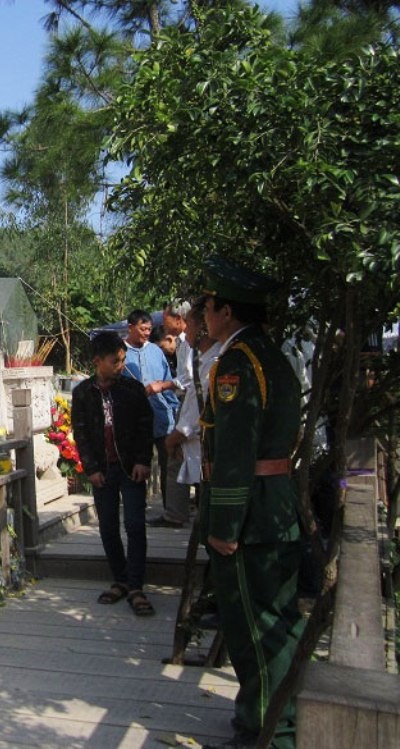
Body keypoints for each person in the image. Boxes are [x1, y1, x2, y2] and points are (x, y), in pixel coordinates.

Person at [198, 257, 303, 749]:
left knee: (253, 629)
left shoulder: (237, 364)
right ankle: (278, 719)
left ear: (225, 309)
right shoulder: (274, 357)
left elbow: (237, 453)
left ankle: (266, 730)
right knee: (278, 620)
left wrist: (224, 525)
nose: (202, 315)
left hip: (251, 514)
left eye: (207, 306)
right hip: (275, 506)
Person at [71, 331, 156, 616]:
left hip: (131, 468)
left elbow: (146, 426)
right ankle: (120, 580)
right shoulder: (82, 393)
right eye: (115, 361)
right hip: (102, 472)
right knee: (108, 527)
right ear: (98, 361)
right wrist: (90, 468)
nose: (121, 365)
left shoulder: (132, 390)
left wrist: (143, 461)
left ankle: (136, 586)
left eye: (123, 360)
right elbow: (80, 433)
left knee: (134, 525)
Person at [156, 300, 221, 525]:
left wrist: (174, 438)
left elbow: (197, 403)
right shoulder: (198, 353)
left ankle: (180, 515)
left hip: (201, 434)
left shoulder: (213, 360)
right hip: (194, 428)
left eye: (189, 325)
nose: (185, 329)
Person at [122, 310, 183, 523]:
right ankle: (137, 508)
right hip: (134, 421)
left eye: (149, 329)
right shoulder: (120, 352)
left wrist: (174, 409)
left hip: (162, 417)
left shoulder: (156, 352)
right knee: (137, 463)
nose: (147, 333)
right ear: (130, 327)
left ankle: (171, 511)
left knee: (169, 464)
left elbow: (169, 382)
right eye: (142, 329)